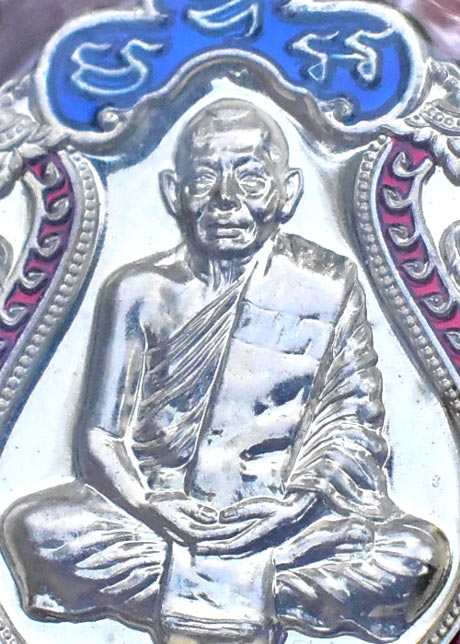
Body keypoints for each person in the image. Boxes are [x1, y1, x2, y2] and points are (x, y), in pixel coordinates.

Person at [0, 99, 451, 644]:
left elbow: (352, 426)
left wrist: (291, 510)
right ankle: (263, 592)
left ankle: (209, 587)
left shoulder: (326, 285)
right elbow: (99, 436)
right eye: (205, 178)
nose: (226, 199)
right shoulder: (138, 290)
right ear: (173, 192)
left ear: (288, 193)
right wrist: (151, 506)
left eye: (251, 179)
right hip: (158, 521)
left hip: (284, 526)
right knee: (36, 530)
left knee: (415, 556)